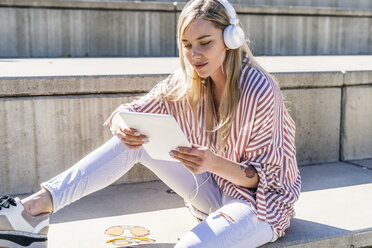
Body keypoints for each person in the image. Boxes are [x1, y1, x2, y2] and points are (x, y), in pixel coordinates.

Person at [0, 0, 301, 247]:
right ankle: (33, 211)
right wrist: (122, 123)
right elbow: (131, 110)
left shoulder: (258, 89)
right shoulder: (190, 78)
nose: (194, 55)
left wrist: (212, 162)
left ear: (229, 39)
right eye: (186, 45)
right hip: (214, 188)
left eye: (205, 43)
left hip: (258, 204)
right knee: (134, 137)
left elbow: (262, 180)